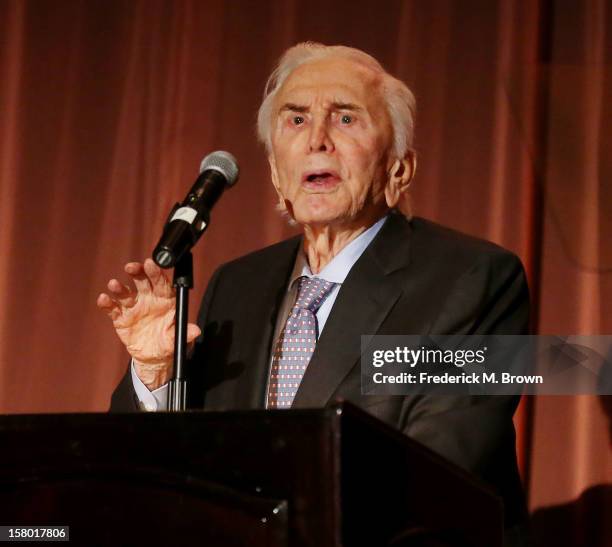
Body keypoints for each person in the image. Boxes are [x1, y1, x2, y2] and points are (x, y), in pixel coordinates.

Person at [98, 43, 529, 541]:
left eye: (346, 119)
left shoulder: (474, 278)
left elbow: (434, 474)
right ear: (277, 174)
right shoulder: (235, 287)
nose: (317, 140)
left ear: (399, 169)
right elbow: (156, 476)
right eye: (296, 121)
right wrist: (155, 375)